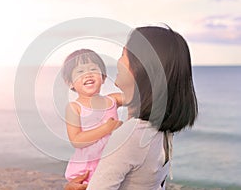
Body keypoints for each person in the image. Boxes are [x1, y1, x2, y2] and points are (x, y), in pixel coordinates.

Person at [64, 26, 198, 190]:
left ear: (140, 68)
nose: (118, 61)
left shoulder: (129, 137)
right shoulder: (159, 129)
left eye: (123, 55)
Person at [62, 49, 123, 184]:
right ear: (70, 83)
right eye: (80, 72)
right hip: (87, 168)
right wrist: (106, 128)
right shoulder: (74, 107)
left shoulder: (113, 100)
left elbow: (137, 98)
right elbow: (76, 140)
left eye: (93, 70)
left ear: (104, 77)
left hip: (112, 163)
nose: (88, 74)